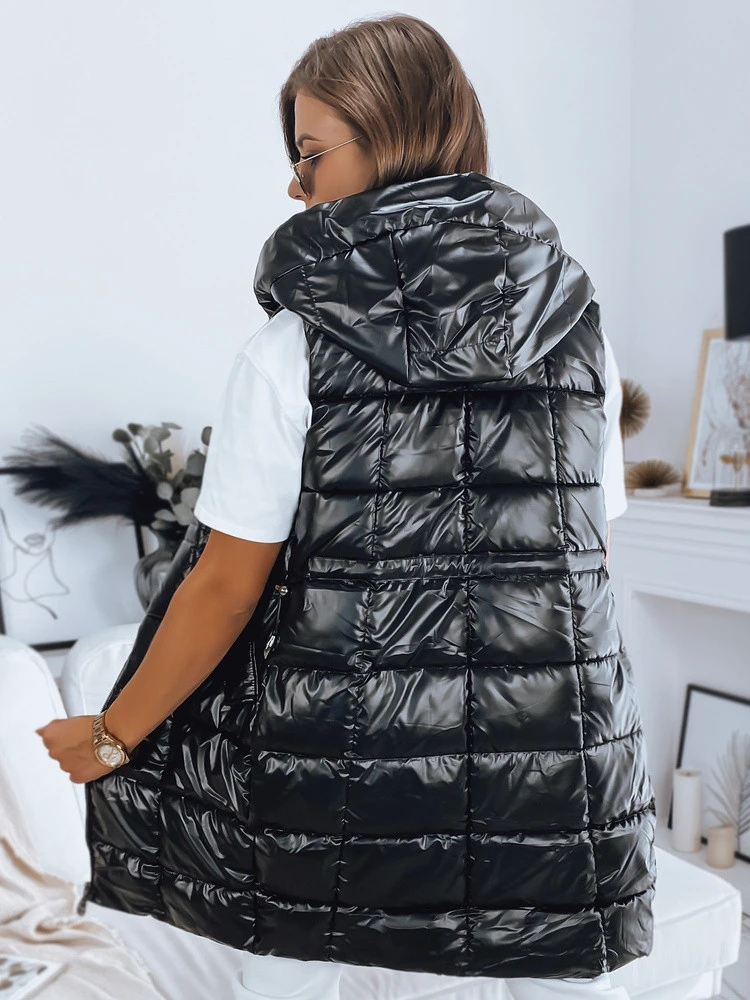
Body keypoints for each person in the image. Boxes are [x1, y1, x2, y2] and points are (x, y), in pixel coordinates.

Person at [37, 13, 655, 1000]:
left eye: (310, 153)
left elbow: (223, 590)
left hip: (340, 798)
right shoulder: (583, 335)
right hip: (554, 796)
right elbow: (589, 577)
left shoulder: (289, 349)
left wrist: (111, 735)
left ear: (390, 136)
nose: (296, 185)